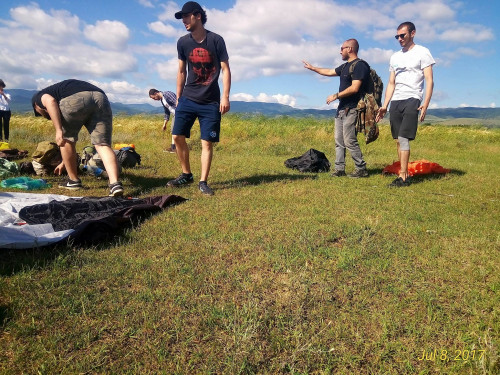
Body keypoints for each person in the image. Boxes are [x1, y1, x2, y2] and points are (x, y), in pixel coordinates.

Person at [168, 1, 231, 196]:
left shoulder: (216, 40)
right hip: (188, 97)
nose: (184, 21)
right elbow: (181, 71)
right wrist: (178, 98)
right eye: (182, 18)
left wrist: (226, 97)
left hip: (211, 101)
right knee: (177, 136)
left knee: (206, 142)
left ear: (197, 15)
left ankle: (203, 182)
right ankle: (186, 173)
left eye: (186, 17)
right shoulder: (183, 42)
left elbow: (226, 69)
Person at [32, 79, 124, 196]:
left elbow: (50, 101)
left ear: (36, 106)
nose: (46, 116)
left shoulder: (38, 98)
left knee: (66, 139)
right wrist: (64, 163)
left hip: (76, 99)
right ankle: (115, 184)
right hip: (101, 97)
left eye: (41, 113)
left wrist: (59, 130)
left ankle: (73, 181)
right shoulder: (64, 88)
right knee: (102, 144)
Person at [376, 21, 435, 187]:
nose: (400, 38)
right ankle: (403, 171)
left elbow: (429, 79)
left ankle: (403, 177)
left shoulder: (423, 52)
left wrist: (426, 102)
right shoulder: (395, 57)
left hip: (412, 98)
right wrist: (385, 105)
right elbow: (391, 83)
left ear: (413, 33)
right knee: (398, 139)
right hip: (396, 100)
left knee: (403, 137)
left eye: (403, 35)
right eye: (397, 36)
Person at [303, 39, 369, 178]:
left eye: (342, 48)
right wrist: (313, 68)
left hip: (352, 108)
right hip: (341, 109)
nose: (340, 51)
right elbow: (329, 71)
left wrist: (336, 95)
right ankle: (339, 169)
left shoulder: (360, 66)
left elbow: (355, 87)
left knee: (349, 140)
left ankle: (361, 168)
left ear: (350, 48)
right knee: (339, 141)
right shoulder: (345, 66)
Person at [149, 89, 177, 153]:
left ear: (156, 93)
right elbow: (167, 112)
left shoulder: (167, 94)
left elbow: (177, 102)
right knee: (173, 131)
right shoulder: (162, 100)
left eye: (154, 98)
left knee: (176, 131)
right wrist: (164, 124)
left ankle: (176, 148)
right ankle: (173, 148)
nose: (155, 100)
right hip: (174, 114)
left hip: (179, 113)